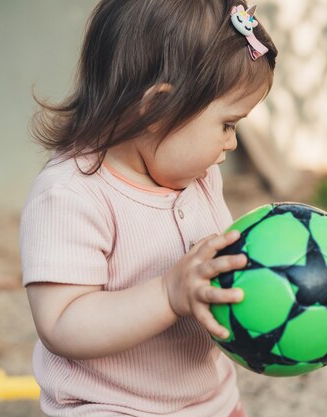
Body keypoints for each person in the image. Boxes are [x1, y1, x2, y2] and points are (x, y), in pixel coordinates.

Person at [20, 0, 277, 416]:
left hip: (208, 399)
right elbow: (61, 323)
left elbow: (216, 268)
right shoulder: (71, 195)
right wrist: (166, 293)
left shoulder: (201, 177)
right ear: (158, 108)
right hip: (109, 406)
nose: (231, 143)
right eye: (228, 124)